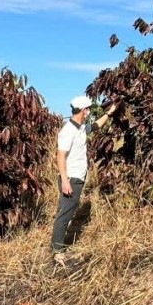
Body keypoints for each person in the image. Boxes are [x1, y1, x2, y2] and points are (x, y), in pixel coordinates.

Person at [51, 95, 118, 266]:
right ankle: (57, 252)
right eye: (87, 109)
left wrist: (109, 114)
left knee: (67, 211)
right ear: (83, 110)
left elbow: (95, 126)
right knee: (65, 213)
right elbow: (60, 157)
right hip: (71, 178)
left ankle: (58, 246)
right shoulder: (68, 131)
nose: (89, 112)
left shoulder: (80, 128)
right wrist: (65, 181)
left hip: (77, 177)